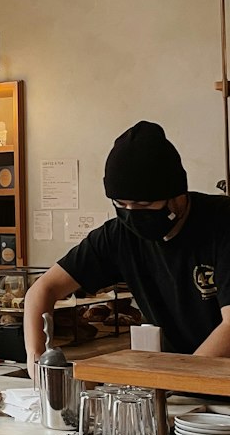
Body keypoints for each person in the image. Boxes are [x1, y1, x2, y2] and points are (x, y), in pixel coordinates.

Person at [24, 121, 230, 372]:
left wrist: (181, 378)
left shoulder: (221, 224)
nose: (132, 214)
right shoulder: (118, 235)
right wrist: (36, 358)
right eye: (121, 204)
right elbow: (44, 289)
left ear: (177, 194)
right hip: (183, 375)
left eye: (144, 204)